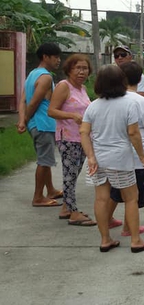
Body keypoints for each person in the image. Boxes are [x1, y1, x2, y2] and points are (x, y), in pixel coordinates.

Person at [80, 65, 144, 253]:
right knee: (131, 198)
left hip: (98, 158)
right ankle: (135, 240)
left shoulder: (93, 106)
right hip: (120, 159)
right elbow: (133, 133)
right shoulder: (129, 104)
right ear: (122, 81)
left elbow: (84, 132)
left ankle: (105, 239)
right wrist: (143, 157)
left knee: (101, 199)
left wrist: (90, 157)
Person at [107, 61, 144, 237]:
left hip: (115, 155)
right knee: (133, 197)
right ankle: (129, 228)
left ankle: (106, 220)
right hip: (138, 157)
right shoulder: (142, 102)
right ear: (140, 78)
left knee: (115, 192)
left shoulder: (111, 99)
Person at [47, 54, 96, 226]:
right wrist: (71, 115)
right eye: (78, 68)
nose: (82, 72)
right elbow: (51, 111)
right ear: (69, 70)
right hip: (68, 138)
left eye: (85, 68)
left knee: (74, 175)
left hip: (81, 138)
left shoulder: (81, 88)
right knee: (69, 175)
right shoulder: (63, 86)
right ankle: (74, 213)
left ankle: (66, 208)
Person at [16, 42, 63, 207]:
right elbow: (34, 102)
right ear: (45, 57)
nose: (58, 60)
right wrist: (26, 119)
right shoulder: (46, 77)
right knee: (44, 161)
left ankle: (50, 190)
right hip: (43, 124)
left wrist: (23, 121)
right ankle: (38, 197)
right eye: (55, 57)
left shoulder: (32, 75)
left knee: (46, 159)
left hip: (36, 125)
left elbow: (22, 100)